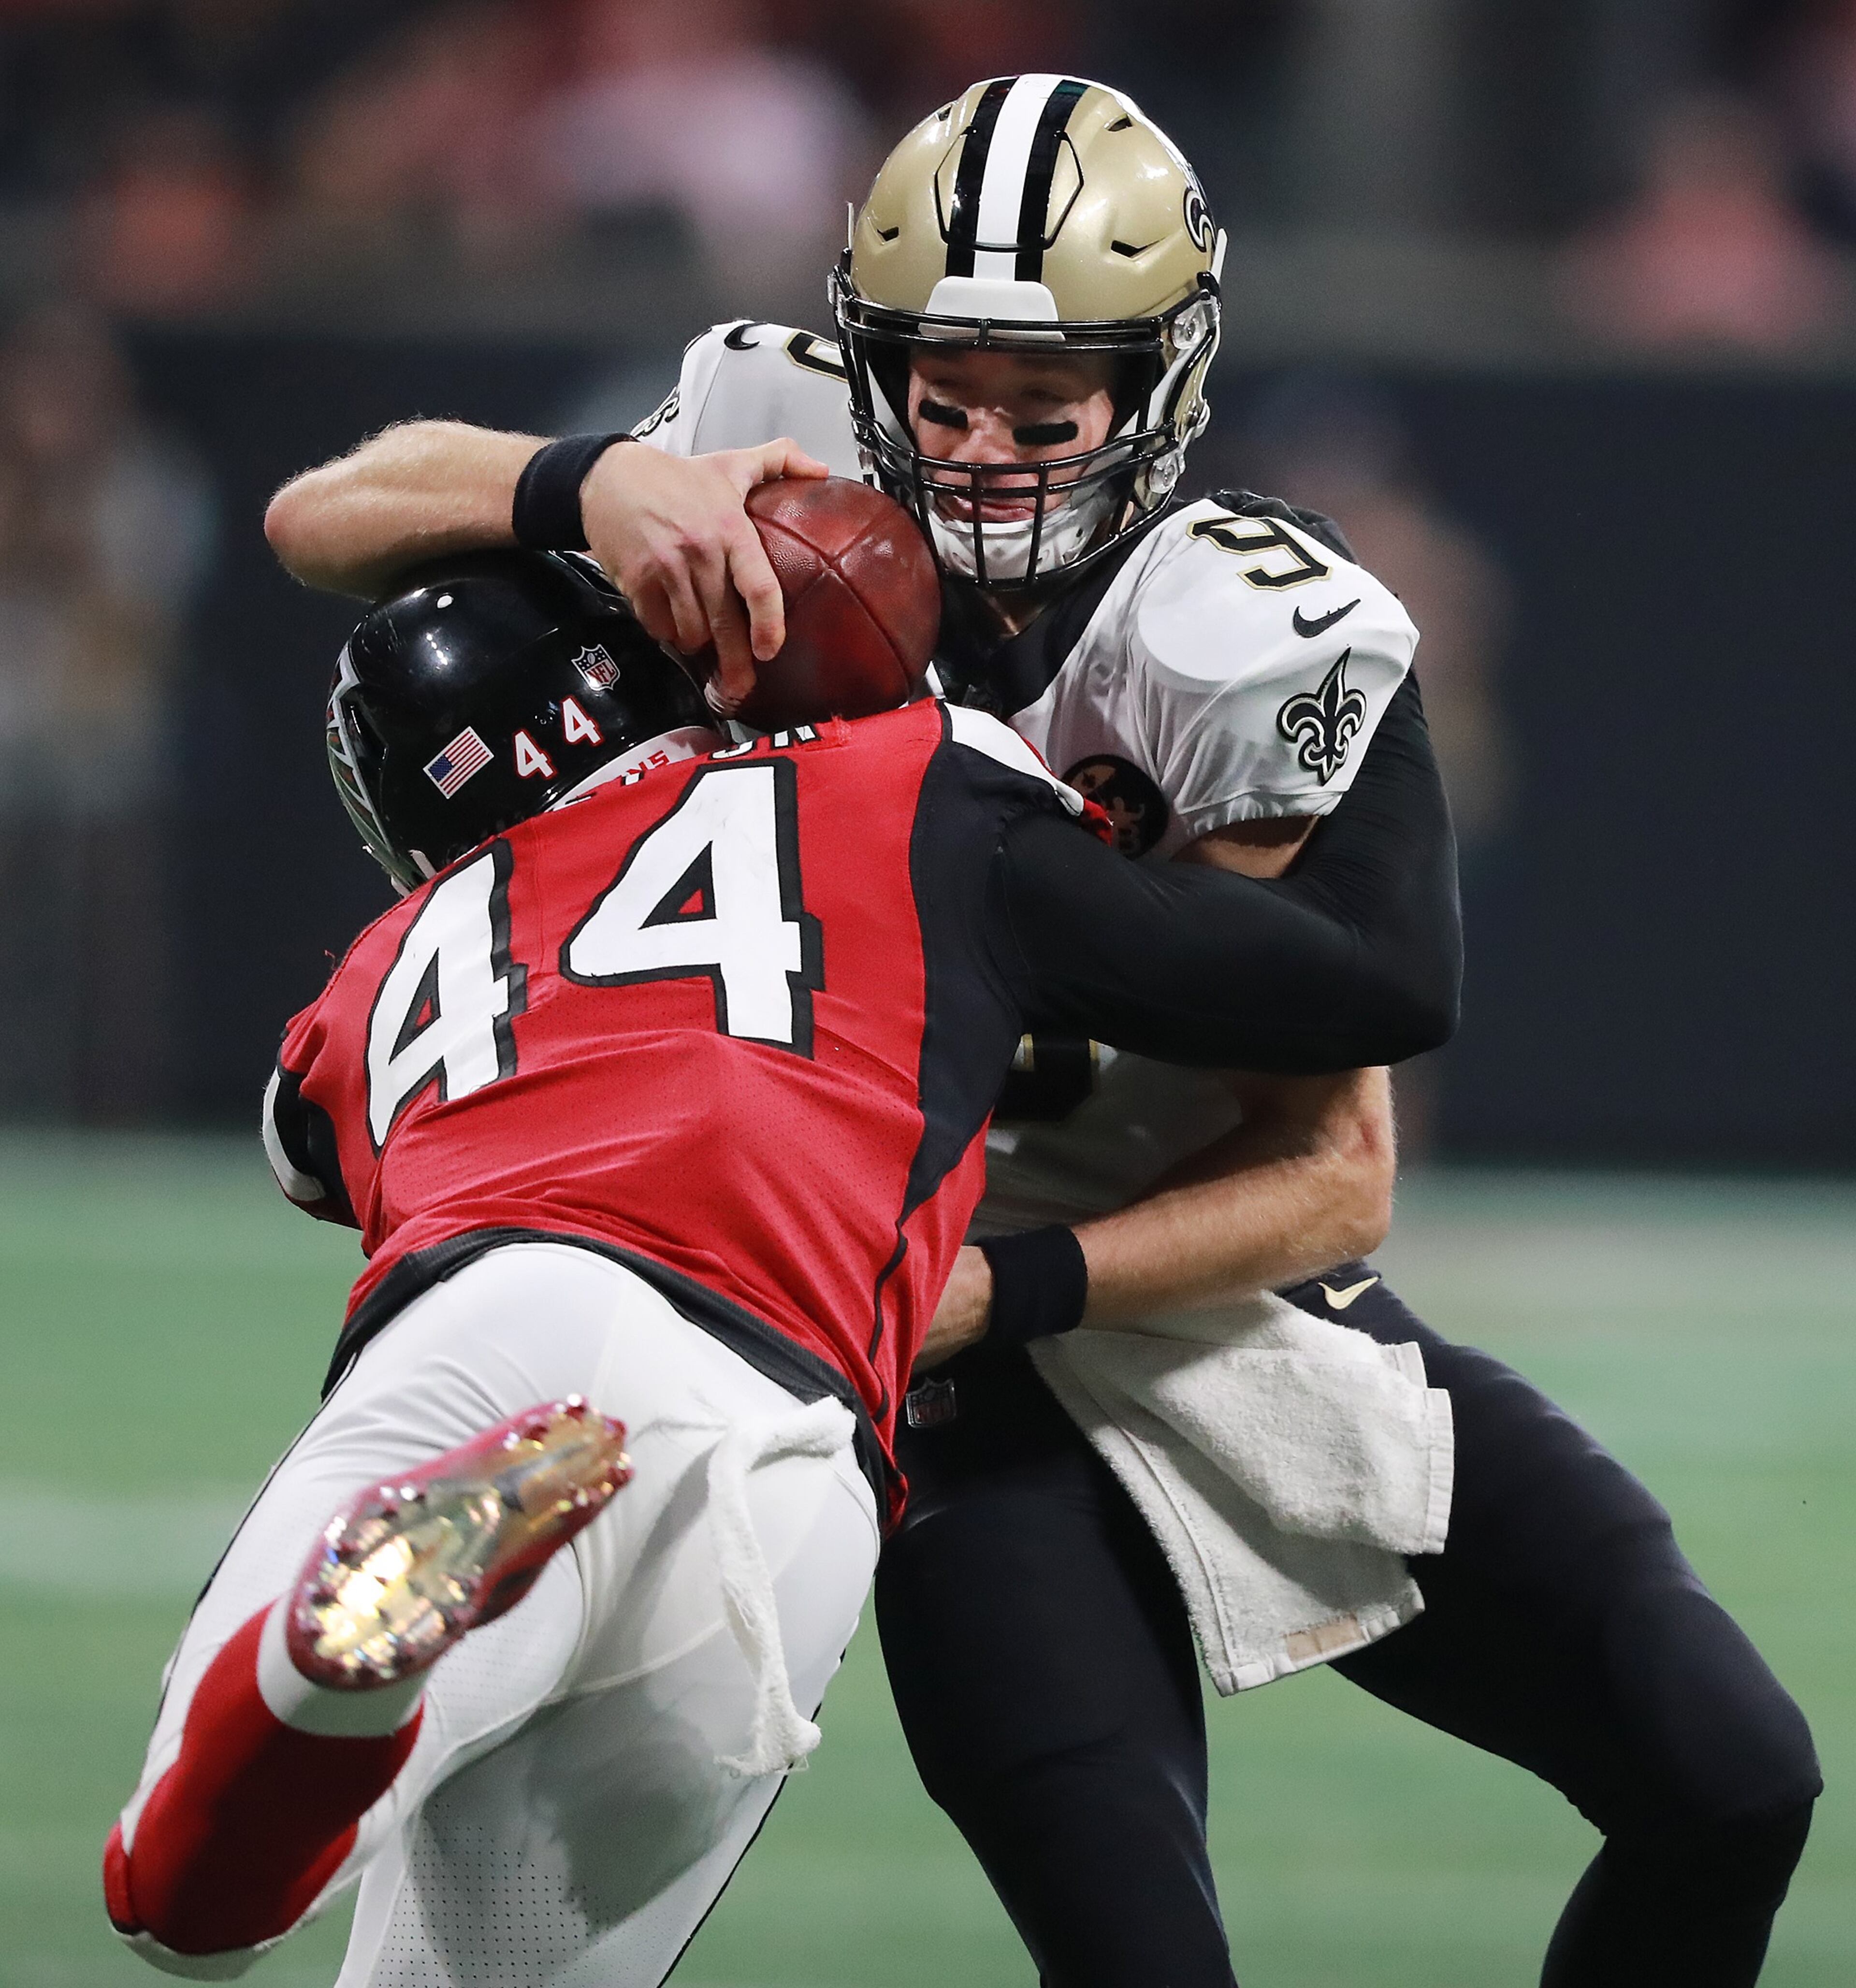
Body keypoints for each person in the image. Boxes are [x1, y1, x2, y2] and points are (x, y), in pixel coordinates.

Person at [261, 75, 1820, 1986]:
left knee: (1734, 1780)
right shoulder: (758, 450)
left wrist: (983, 1282)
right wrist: (587, 484)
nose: (985, 450)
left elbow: (1338, 1178)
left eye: (1045, 405)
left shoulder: (1236, 628)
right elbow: (323, 517)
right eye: (946, 397)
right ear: (873, 364)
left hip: (1165, 1303)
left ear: (1156, 385)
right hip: (927, 1390)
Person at [105, 547, 1457, 1985]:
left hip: (506, 1325)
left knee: (180, 1911)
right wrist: (1373, 708)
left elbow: (307, 1148)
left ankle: (331, 1683)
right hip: (798, 1462)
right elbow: (1343, 982)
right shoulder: (917, 774)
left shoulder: (385, 962)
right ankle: (342, 1690)